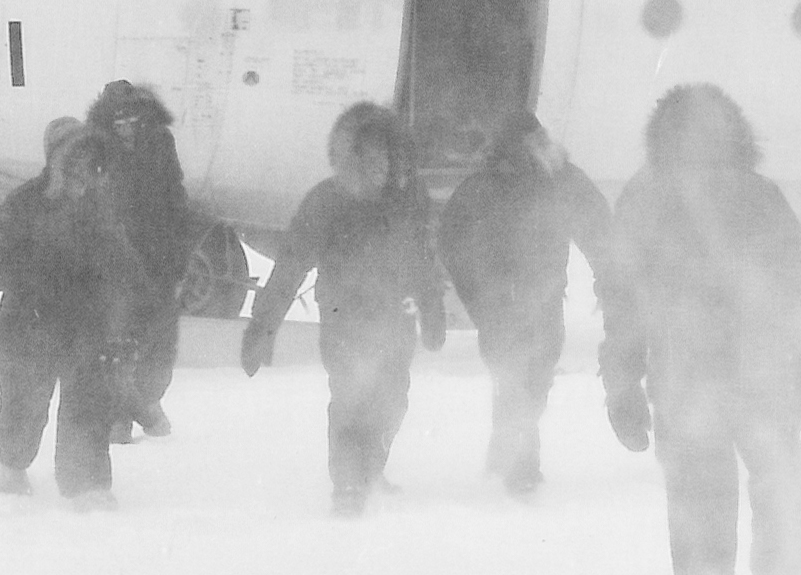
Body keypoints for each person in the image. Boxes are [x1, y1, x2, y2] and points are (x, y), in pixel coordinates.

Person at [598, 84, 801, 575]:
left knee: (776, 500)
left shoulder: (756, 196)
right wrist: (621, 386)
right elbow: (624, 302)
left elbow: (797, 287)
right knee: (709, 506)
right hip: (692, 380)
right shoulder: (649, 201)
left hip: (757, 374)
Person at [241, 102, 448, 516]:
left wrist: (432, 305)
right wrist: (263, 326)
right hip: (344, 317)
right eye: (366, 156)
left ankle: (369, 466)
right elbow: (292, 263)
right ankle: (349, 481)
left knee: (391, 399)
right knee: (350, 396)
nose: (377, 165)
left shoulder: (410, 196)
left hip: (396, 316)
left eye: (384, 155)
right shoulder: (327, 201)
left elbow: (423, 255)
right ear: (348, 157)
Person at [436, 113, 616, 495]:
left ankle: (505, 450)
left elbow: (599, 232)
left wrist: (608, 280)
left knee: (530, 381)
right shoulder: (498, 185)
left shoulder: (557, 180)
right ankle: (522, 466)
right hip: (503, 308)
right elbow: (453, 241)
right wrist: (478, 295)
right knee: (516, 381)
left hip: (540, 303)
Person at [0, 120, 154, 510]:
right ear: (55, 158)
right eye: (75, 155)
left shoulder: (101, 211)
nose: (83, 165)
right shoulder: (23, 204)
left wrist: (138, 308)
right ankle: (10, 469)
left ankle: (87, 485)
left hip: (85, 331)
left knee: (88, 407)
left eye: (90, 157)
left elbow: (125, 267)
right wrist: (40, 280)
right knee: (23, 409)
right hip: (29, 329)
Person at [86, 80, 193, 442]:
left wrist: (179, 257)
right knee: (119, 342)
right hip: (117, 263)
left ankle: (147, 402)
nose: (125, 126)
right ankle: (120, 418)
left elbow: (175, 200)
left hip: (160, 258)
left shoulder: (160, 143)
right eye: (118, 120)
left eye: (131, 118)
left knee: (162, 343)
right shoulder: (94, 149)